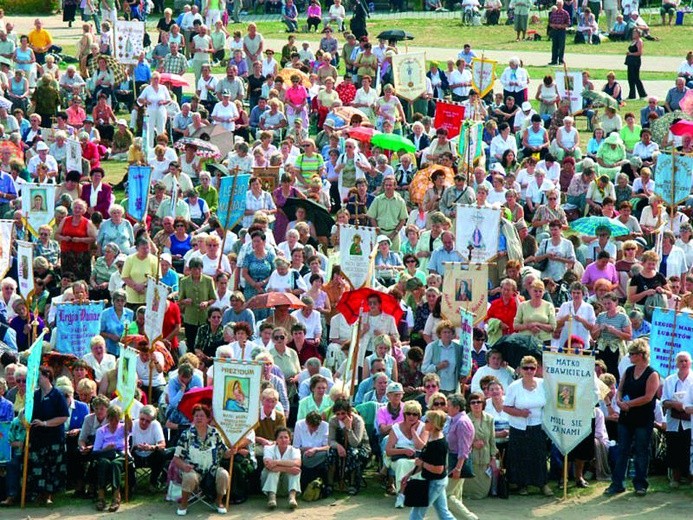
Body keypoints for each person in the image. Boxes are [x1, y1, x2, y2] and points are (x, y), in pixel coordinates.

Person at [604, 339, 659, 496]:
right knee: (622, 450)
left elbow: (649, 397)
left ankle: (640, 484)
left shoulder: (652, 374)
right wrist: (620, 401)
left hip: (643, 419)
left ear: (641, 355)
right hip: (626, 418)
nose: (630, 357)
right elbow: (620, 389)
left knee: (641, 451)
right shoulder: (628, 371)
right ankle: (617, 484)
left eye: (633, 354)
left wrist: (630, 404)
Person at [503, 355, 553, 496]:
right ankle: (522, 485)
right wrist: (519, 413)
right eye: (526, 368)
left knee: (539, 455)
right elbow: (505, 407)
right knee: (520, 457)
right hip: (519, 427)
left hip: (538, 425)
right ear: (520, 369)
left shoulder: (543, 384)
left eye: (532, 368)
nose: (529, 371)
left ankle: (542, 484)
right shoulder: (514, 386)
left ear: (536, 369)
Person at [173, 404, 233, 515]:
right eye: (196, 416)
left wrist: (232, 451)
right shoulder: (186, 434)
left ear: (208, 419)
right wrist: (184, 466)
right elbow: (176, 458)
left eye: (202, 416)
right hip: (192, 469)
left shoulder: (215, 433)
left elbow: (225, 453)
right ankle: (184, 504)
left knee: (224, 474)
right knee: (189, 477)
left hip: (212, 469)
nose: (199, 418)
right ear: (193, 418)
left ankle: (218, 502)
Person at [404, 409, 458, 520]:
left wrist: (422, 464)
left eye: (427, 421)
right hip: (437, 481)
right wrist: (409, 474)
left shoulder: (437, 444)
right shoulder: (433, 438)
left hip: (435, 482)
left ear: (433, 424)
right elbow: (425, 459)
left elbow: (438, 469)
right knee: (443, 512)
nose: (425, 422)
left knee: (416, 513)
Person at [27, 366, 69, 504]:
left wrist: (45, 423)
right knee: (38, 466)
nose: (38, 379)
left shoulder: (57, 395)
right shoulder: (35, 395)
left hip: (54, 438)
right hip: (38, 438)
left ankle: (49, 495)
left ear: (46, 376)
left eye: (39, 376)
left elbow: (63, 416)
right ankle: (40, 493)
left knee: (52, 467)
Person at [326, 398, 370, 496]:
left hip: (360, 447)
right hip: (341, 445)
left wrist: (349, 429)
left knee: (353, 453)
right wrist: (338, 446)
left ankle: (353, 484)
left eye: (343, 413)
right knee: (331, 453)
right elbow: (330, 440)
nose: (340, 416)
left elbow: (356, 443)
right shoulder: (333, 421)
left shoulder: (358, 421)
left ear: (348, 412)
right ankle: (330, 483)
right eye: (338, 414)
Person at [661, 351, 692, 487]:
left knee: (689, 448)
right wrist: (674, 404)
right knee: (674, 447)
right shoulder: (669, 380)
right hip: (673, 420)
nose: (684, 363)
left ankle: (690, 477)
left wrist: (686, 407)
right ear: (676, 364)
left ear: (690, 362)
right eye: (681, 361)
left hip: (690, 420)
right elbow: (663, 401)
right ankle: (675, 478)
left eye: (686, 361)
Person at [464, 392, 497, 500]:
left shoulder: (490, 419)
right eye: (473, 402)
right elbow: (461, 440)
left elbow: (492, 439)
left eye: (479, 402)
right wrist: (473, 444)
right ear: (469, 405)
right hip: (471, 458)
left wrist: (493, 457)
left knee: (483, 492)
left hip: (485, 458)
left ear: (483, 403)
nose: (476, 404)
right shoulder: (465, 419)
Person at [92, 404, 126, 512]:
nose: (114, 423)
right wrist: (105, 449)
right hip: (105, 454)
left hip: (120, 454)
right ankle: (101, 495)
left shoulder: (124, 429)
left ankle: (116, 496)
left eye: (116, 420)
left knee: (115, 464)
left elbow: (130, 427)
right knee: (103, 462)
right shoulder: (101, 431)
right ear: (107, 418)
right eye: (111, 420)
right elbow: (96, 451)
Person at [262, 427, 302, 510]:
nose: (283, 440)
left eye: (286, 437)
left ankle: (292, 497)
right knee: (274, 471)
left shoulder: (295, 450)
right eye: (280, 437)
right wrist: (288, 469)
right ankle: (272, 498)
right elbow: (269, 466)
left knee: (296, 470)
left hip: (285, 486)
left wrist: (276, 462)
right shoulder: (268, 448)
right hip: (268, 485)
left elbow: (297, 463)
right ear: (276, 440)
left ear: (290, 440)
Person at [625, 28, 647, 100]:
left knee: (636, 78)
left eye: (635, 33)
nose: (633, 34)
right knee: (630, 78)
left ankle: (642, 94)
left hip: (635, 61)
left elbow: (639, 53)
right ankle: (632, 94)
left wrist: (631, 53)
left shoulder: (639, 41)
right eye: (633, 33)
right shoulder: (633, 41)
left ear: (638, 34)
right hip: (630, 61)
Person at [548, 1, 571, 66]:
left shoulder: (565, 13)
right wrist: (553, 25)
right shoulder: (553, 13)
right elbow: (550, 22)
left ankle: (561, 60)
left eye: (560, 5)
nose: (558, 6)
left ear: (562, 5)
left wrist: (561, 26)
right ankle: (554, 60)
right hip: (554, 31)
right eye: (557, 5)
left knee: (561, 46)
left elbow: (568, 23)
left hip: (562, 31)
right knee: (554, 46)